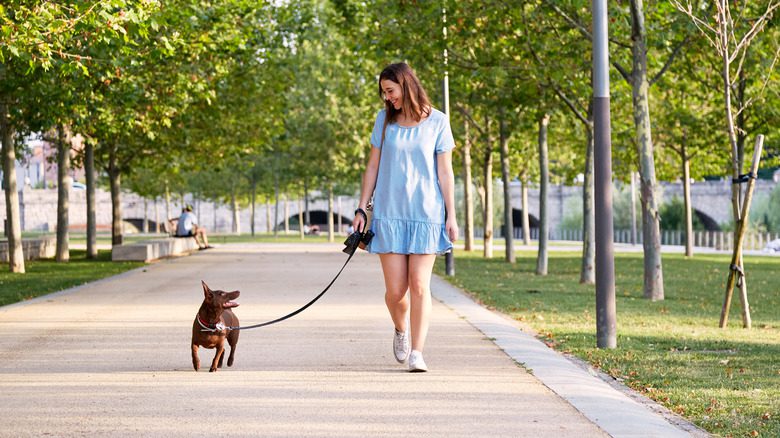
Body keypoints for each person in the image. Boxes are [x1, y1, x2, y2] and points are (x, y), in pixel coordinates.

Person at [352, 62, 458, 372]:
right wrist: (361, 208)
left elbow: (445, 171)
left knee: (420, 285)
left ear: (406, 85)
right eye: (384, 93)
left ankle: (417, 352)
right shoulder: (384, 121)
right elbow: (372, 166)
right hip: (389, 214)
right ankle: (401, 328)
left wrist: (451, 215)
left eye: (390, 91)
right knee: (396, 292)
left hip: (426, 214)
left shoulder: (438, 121)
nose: (387, 98)